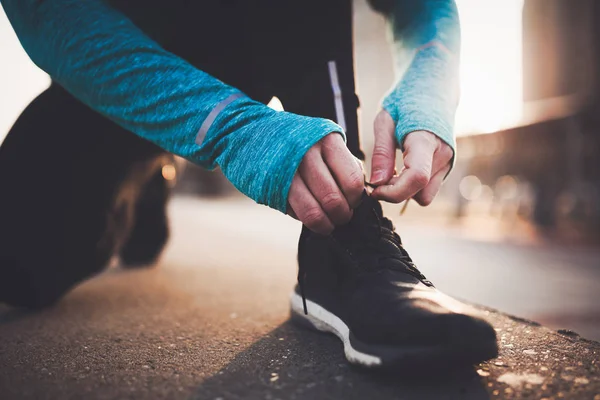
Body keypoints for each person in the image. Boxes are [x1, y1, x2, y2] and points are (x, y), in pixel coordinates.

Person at [0, 0, 498, 368]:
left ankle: (345, 238)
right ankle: (153, 177)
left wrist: (429, 89)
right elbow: (47, 14)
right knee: (19, 265)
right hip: (117, 68)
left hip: (262, 30)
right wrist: (233, 128)